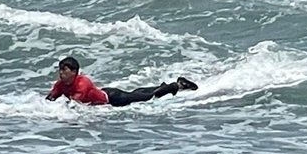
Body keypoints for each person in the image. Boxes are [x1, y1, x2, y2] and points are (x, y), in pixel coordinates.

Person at [46, 55, 197, 108]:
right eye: (60, 69)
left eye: (64, 70)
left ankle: (175, 86)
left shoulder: (82, 83)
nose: (61, 73)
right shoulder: (60, 85)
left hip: (114, 99)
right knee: (136, 93)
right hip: (105, 93)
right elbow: (50, 99)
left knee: (147, 97)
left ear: (74, 72)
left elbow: (75, 104)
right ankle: (165, 86)